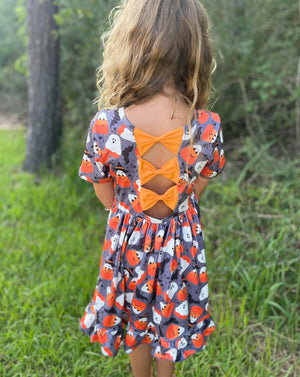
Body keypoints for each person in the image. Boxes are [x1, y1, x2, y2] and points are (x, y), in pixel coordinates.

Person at [78, 1, 225, 376]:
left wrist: (130, 207)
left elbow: (105, 195)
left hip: (128, 245)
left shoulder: (106, 125)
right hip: (181, 244)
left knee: (135, 318)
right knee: (169, 316)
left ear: (130, 44)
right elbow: (200, 183)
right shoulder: (207, 126)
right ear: (196, 51)